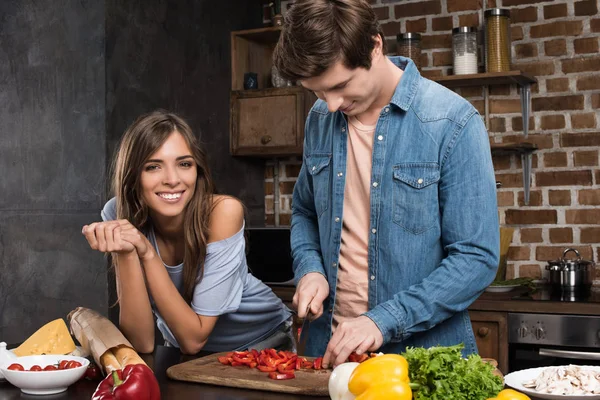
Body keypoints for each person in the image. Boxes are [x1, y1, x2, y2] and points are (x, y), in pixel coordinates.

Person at [273, 0, 500, 367]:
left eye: (341, 86)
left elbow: (476, 259)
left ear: (375, 47)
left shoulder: (453, 121)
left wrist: (383, 320)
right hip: (329, 355)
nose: (330, 105)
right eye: (316, 92)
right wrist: (311, 268)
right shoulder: (320, 119)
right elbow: (304, 210)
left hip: (422, 362)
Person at [82, 110, 293, 354]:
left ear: (197, 170)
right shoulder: (118, 212)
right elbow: (140, 343)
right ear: (133, 175)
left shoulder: (222, 212)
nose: (172, 179)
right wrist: (128, 252)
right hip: (185, 355)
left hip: (264, 342)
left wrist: (147, 253)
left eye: (184, 164)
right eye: (153, 166)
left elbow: (194, 339)